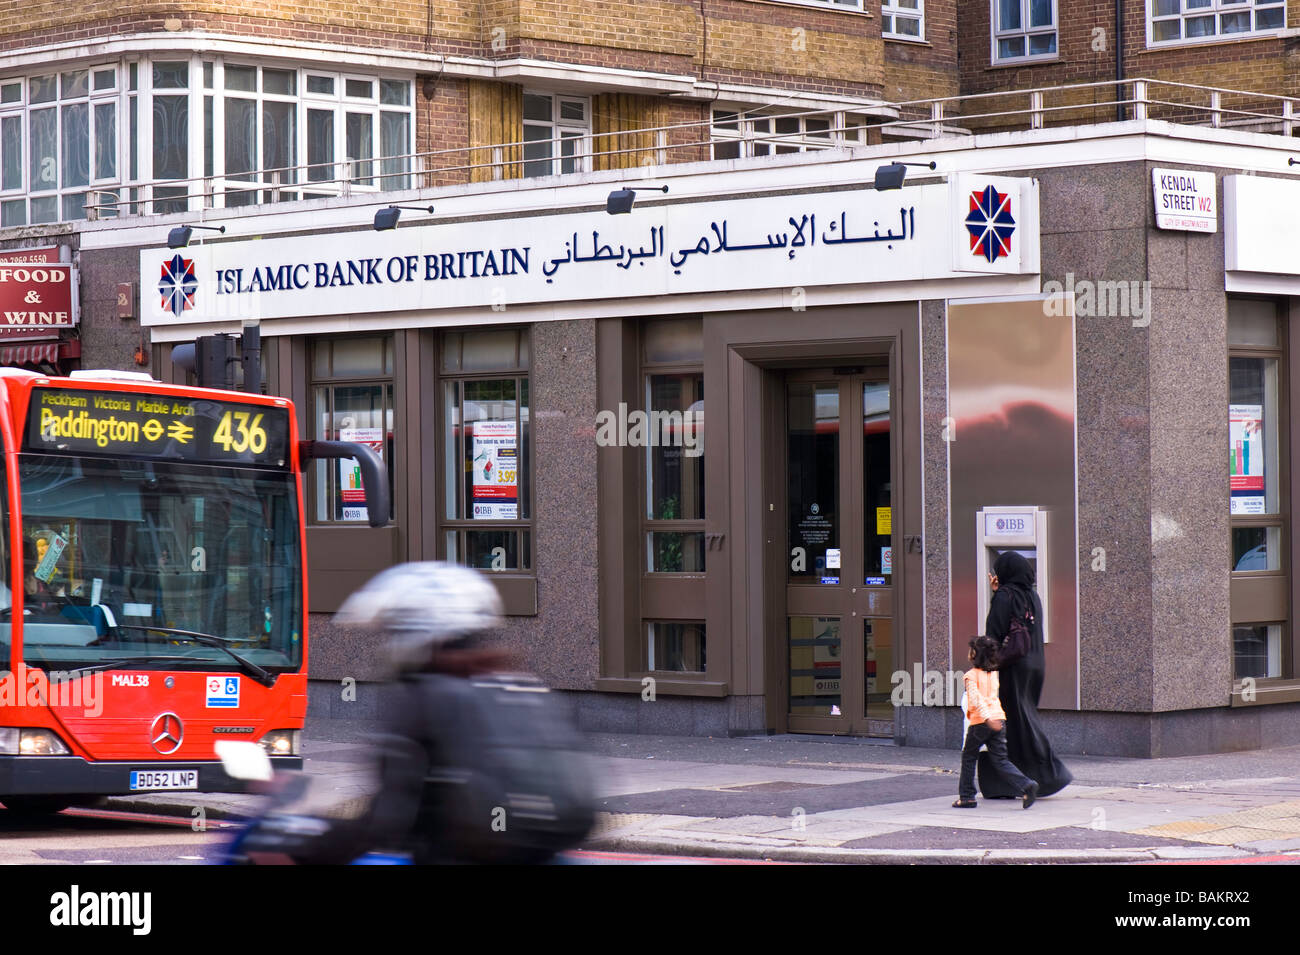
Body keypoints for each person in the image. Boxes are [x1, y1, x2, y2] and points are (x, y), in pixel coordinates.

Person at [981, 550, 1073, 798]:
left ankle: (1048, 774)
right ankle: (1017, 780)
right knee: (1021, 719)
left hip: (1012, 667)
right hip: (1034, 665)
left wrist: (983, 665)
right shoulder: (1032, 595)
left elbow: (995, 632)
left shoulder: (1005, 595)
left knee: (1010, 722)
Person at [954, 636, 1038, 809]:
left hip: (982, 722)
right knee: (1000, 760)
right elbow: (992, 698)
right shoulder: (993, 674)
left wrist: (986, 719)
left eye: (971, 649)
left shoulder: (970, 676)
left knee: (969, 757)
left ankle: (967, 797)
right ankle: (1027, 785)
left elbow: (976, 699)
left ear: (975, 654)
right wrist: (994, 719)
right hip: (999, 719)